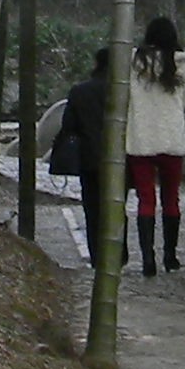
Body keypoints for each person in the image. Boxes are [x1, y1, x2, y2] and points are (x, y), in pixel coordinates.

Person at [126, 15, 185, 274]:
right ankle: (170, 256)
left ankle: (147, 259)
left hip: (141, 137)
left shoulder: (134, 62)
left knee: (145, 199)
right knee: (171, 199)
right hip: (172, 137)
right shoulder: (181, 63)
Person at [42, 47, 117, 269]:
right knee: (116, 206)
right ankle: (118, 252)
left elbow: (68, 126)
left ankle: (97, 255)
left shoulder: (79, 91)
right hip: (119, 158)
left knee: (92, 208)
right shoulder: (122, 91)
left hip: (89, 157)